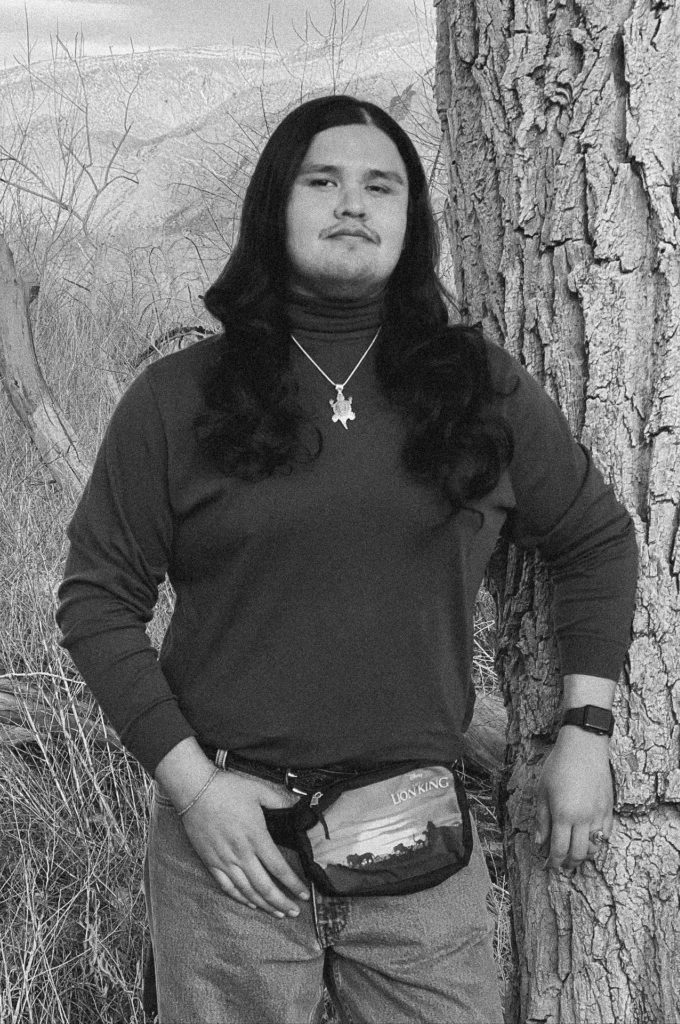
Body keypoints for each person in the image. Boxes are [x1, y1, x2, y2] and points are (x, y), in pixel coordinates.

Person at [56, 95, 638, 1024]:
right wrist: (194, 790)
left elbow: (595, 541)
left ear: (411, 220)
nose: (352, 204)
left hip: (415, 835)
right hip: (229, 845)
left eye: (382, 185)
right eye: (321, 181)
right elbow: (95, 603)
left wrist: (586, 732)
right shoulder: (178, 399)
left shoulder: (474, 386)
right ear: (273, 208)